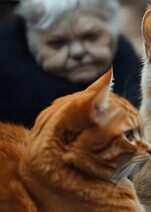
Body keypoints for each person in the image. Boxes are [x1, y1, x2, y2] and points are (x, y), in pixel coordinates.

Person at [0, 0, 141, 128]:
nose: (77, 52)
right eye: (57, 43)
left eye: (91, 37)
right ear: (32, 45)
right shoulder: (8, 67)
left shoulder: (124, 54)